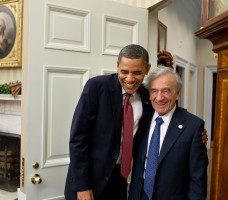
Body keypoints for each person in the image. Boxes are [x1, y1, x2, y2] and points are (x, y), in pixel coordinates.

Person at [64, 44, 154, 200]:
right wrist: (83, 186)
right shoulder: (97, 87)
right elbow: (78, 139)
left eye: (137, 73)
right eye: (124, 71)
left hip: (119, 180)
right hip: (88, 179)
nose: (130, 79)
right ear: (117, 66)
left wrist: (198, 132)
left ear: (147, 69)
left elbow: (168, 112)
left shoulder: (147, 97)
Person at [128, 68, 208, 200]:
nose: (159, 98)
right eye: (154, 91)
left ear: (177, 93)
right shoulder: (141, 119)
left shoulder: (193, 127)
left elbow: (197, 180)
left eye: (166, 91)